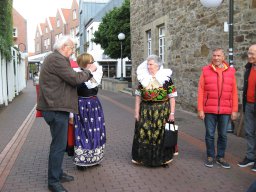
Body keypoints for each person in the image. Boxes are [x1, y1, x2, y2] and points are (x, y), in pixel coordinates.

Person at [37, 35, 96, 192]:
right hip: (55, 109)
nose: (73, 51)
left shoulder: (56, 59)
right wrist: (89, 71)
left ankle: (58, 173)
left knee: (60, 144)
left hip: (56, 107)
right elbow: (74, 79)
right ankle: (53, 181)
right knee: (58, 146)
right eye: (72, 48)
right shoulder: (57, 59)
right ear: (64, 47)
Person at [132, 54, 177, 167]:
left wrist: (172, 113)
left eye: (151, 64)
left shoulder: (166, 78)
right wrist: (136, 112)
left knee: (161, 134)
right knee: (144, 133)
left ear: (157, 65)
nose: (148, 66)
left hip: (162, 110)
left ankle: (162, 159)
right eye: (148, 64)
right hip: (145, 110)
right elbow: (138, 96)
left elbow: (172, 96)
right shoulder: (143, 78)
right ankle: (143, 158)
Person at [197, 48, 238, 169]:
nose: (216, 58)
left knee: (223, 135)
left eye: (219, 55)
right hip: (209, 109)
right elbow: (201, 90)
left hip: (225, 110)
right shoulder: (205, 70)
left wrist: (234, 110)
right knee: (209, 134)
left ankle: (220, 157)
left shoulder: (231, 71)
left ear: (223, 57)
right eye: (214, 55)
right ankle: (210, 156)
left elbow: (234, 92)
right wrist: (200, 109)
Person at [69, 53, 106, 168]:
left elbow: (93, 85)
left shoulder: (97, 74)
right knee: (82, 132)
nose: (93, 63)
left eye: (93, 61)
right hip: (80, 106)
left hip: (94, 106)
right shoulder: (76, 75)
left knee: (96, 131)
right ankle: (82, 160)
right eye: (91, 62)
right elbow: (71, 95)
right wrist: (71, 115)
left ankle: (95, 158)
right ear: (84, 63)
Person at [237, 44, 256, 171]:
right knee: (249, 132)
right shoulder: (248, 68)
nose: (249, 56)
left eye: (252, 54)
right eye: (249, 53)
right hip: (249, 105)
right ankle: (250, 157)